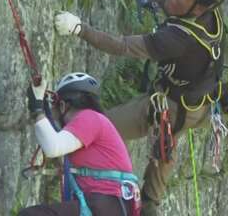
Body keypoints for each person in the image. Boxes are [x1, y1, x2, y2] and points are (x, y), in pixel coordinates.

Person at [54, 0, 228, 216]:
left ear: (200, 6)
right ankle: (150, 204)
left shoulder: (177, 40)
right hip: (200, 101)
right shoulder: (211, 16)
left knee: (100, 129)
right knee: (164, 149)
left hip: (177, 108)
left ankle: (101, 193)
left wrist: (80, 29)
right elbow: (179, 11)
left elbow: (121, 46)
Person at [19, 72, 139, 216]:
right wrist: (42, 109)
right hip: (111, 204)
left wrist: (37, 107)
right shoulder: (95, 122)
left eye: (55, 106)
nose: (53, 111)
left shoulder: (88, 118)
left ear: (63, 105)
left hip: (106, 202)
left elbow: (53, 146)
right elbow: (55, 135)